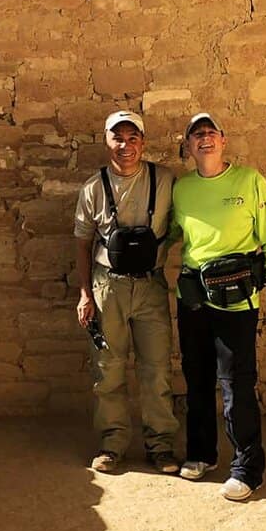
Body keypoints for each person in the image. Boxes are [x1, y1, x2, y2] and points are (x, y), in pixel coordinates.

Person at [169, 112, 266, 501]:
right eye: (196, 134)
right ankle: (201, 453)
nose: (204, 139)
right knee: (197, 375)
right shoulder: (181, 189)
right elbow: (169, 235)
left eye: (210, 133)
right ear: (187, 145)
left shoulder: (250, 181)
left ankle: (247, 469)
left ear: (223, 140)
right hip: (194, 298)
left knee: (236, 382)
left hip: (238, 298)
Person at [74, 111, 181, 475]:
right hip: (109, 287)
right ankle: (112, 443)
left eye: (132, 138)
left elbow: (185, 226)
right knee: (109, 369)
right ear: (107, 141)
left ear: (143, 142)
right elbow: (82, 244)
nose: (126, 146)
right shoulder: (93, 188)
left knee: (156, 368)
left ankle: (161, 444)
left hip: (150, 285)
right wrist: (85, 294)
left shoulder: (165, 181)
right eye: (117, 138)